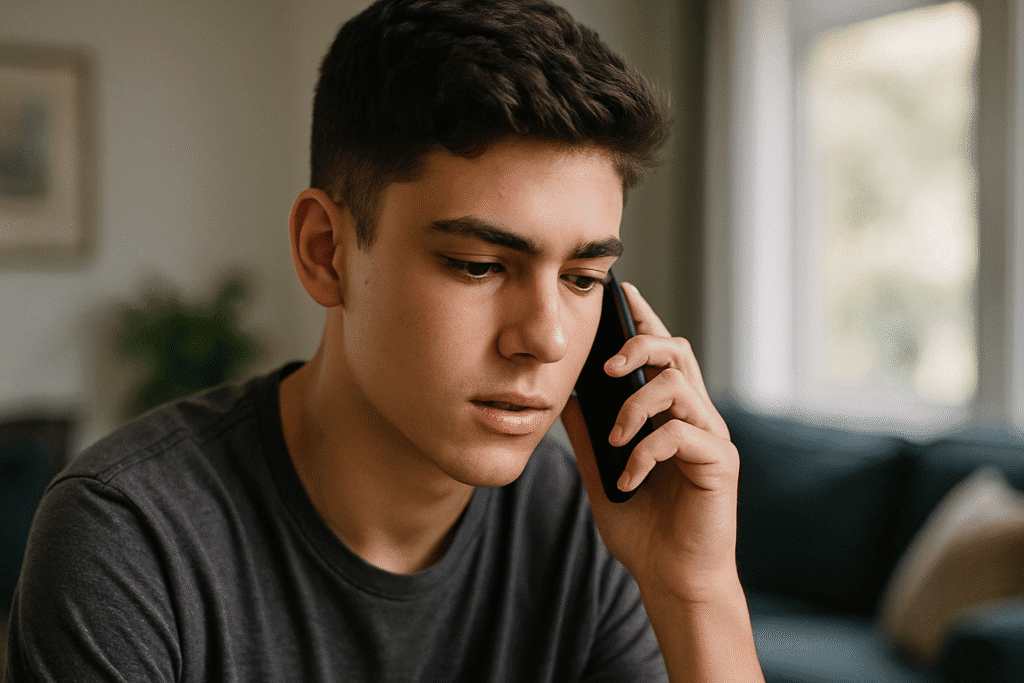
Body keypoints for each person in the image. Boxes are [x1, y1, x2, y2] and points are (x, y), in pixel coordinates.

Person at [3, 0, 764, 681]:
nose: (546, 337)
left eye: (583, 277)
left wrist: (697, 591)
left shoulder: (585, 537)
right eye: (478, 265)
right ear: (326, 251)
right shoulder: (127, 539)